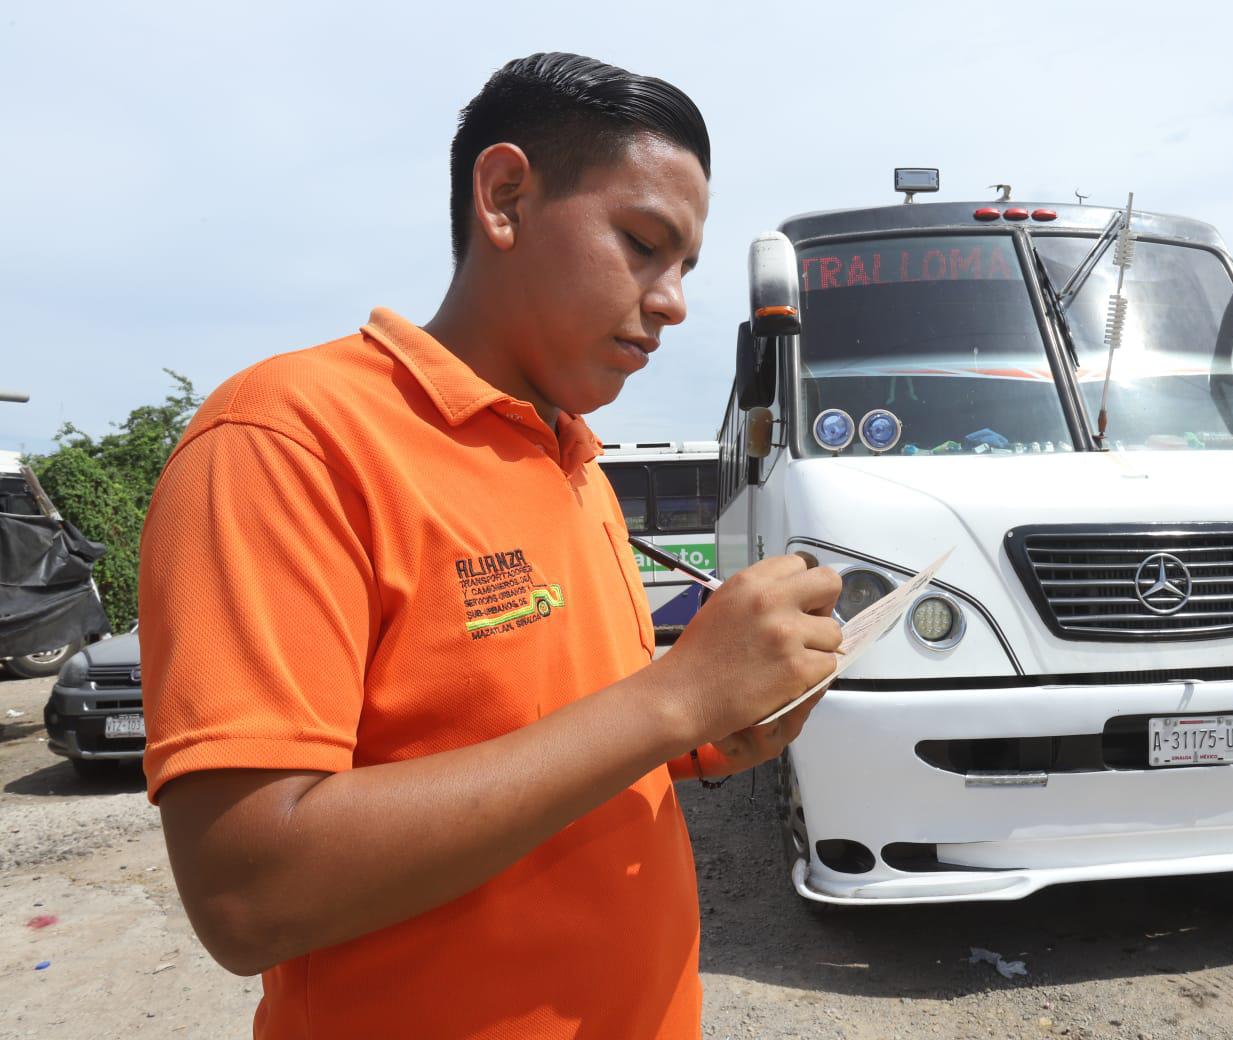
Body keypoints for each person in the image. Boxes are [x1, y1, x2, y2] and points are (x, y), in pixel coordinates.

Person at [137, 52, 842, 1040]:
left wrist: (695, 735)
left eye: (685, 266)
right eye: (643, 243)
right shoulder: (288, 440)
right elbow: (250, 888)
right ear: (504, 196)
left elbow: (554, 730)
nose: (674, 298)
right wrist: (670, 697)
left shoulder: (578, 465)